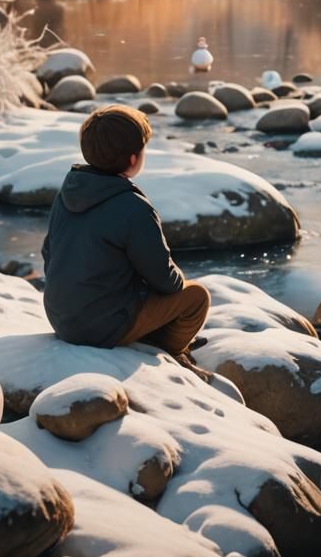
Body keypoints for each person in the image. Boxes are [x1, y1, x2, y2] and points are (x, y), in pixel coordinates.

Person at [41, 105, 210, 369]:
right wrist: (175, 284)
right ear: (133, 159)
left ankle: (140, 330)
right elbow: (165, 280)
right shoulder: (133, 207)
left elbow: (49, 253)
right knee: (196, 297)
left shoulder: (66, 195)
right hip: (100, 327)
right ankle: (166, 349)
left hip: (60, 316)